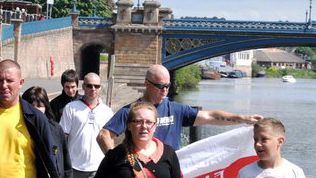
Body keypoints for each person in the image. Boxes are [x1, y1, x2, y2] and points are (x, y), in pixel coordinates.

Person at [98, 64, 263, 152]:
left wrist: (244, 119)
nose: (164, 90)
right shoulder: (131, 111)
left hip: (169, 169)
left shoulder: (176, 109)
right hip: (142, 172)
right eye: (160, 86)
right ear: (146, 84)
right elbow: (104, 135)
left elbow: (211, 116)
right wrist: (116, 163)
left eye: (168, 86)